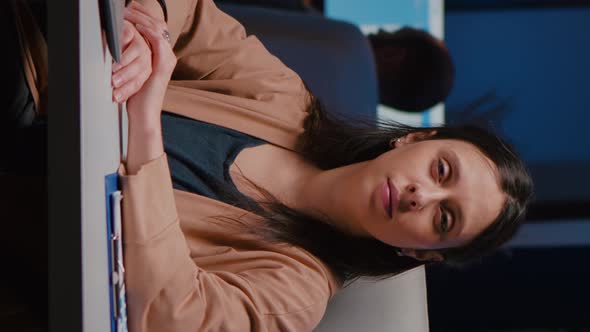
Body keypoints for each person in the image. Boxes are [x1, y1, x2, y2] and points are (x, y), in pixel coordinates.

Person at [10, 0, 533, 331]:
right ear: (416, 139)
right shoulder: (287, 101)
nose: (424, 197)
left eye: (444, 219)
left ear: (421, 251)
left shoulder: (296, 290)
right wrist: (146, 34)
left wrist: (145, 122)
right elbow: (190, 14)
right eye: (441, 172)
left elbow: (169, 315)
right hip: (34, 86)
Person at [368, 27, 455, 112]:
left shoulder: (355, 41)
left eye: (391, 34)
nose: (380, 30)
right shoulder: (358, 123)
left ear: (392, 54)